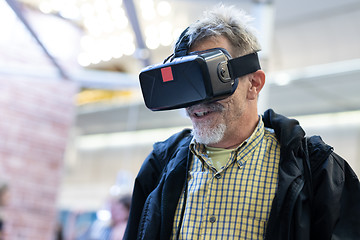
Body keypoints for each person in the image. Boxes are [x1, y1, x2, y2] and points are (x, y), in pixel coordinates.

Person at [124, 4, 360, 240]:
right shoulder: (160, 166)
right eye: (189, 85)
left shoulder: (318, 171)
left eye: (212, 80)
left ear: (254, 84)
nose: (197, 103)